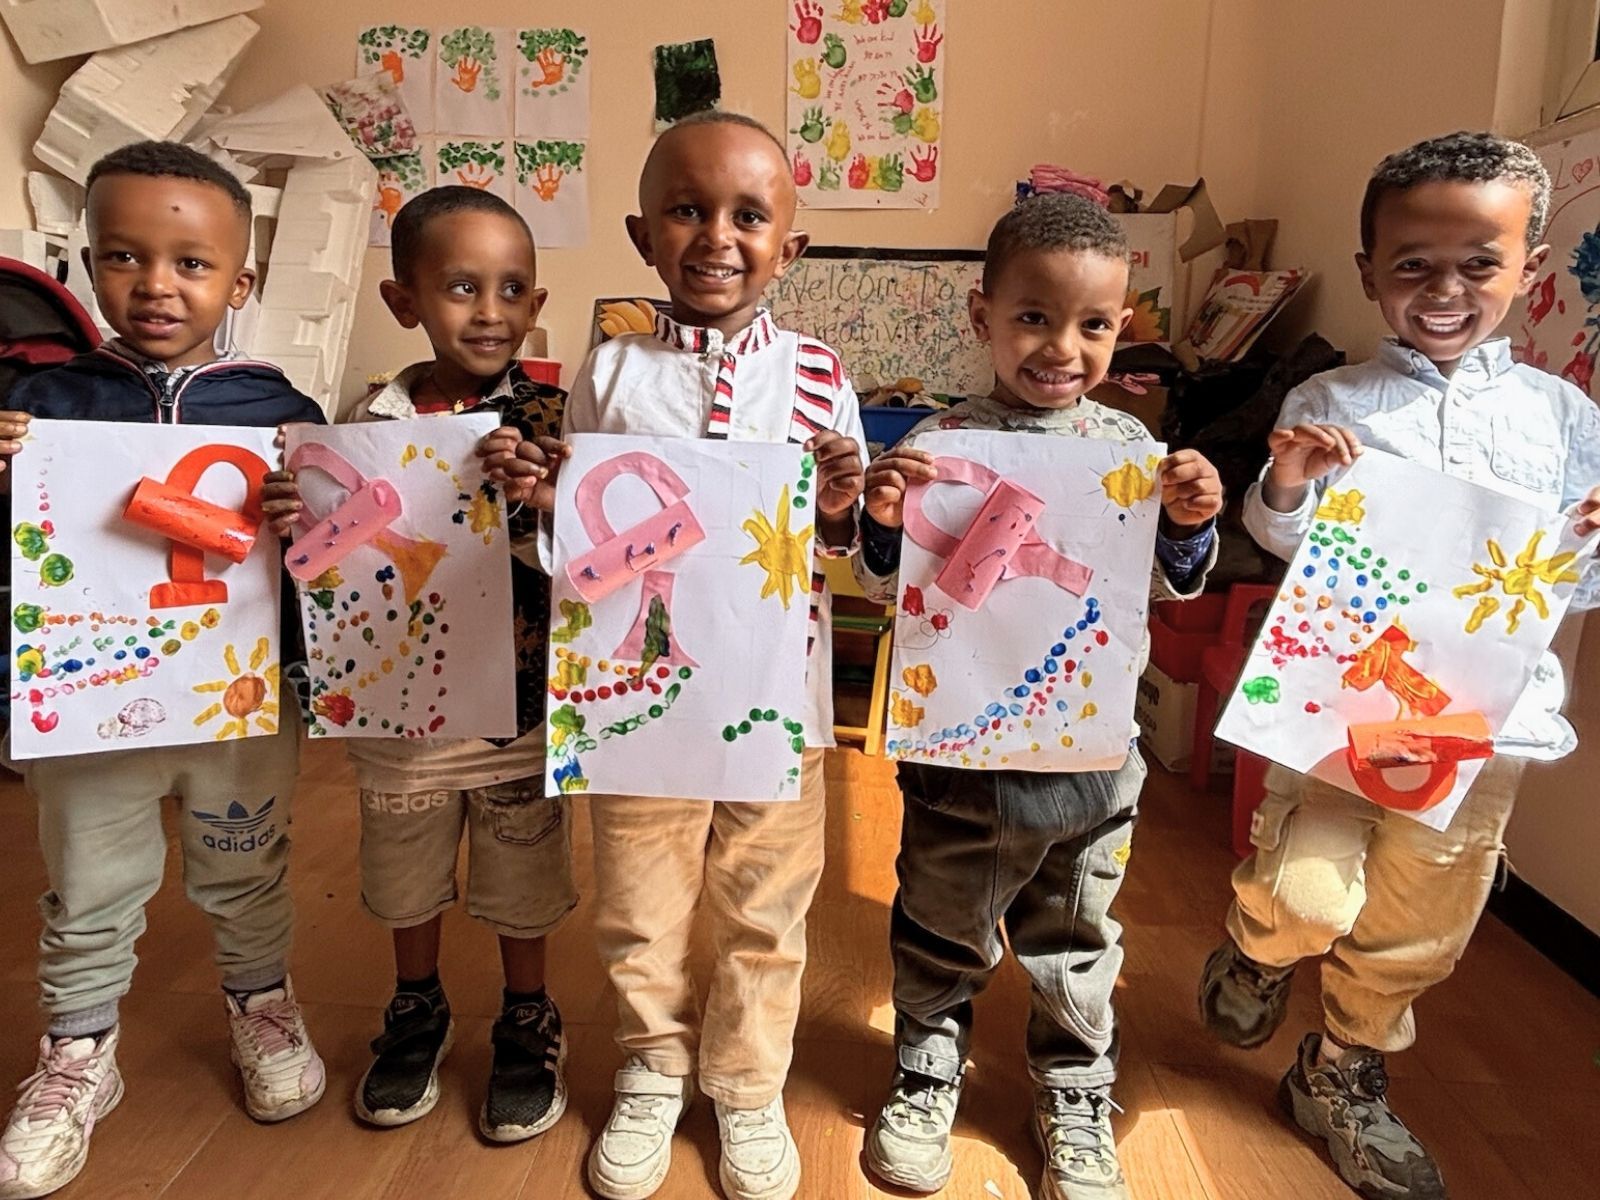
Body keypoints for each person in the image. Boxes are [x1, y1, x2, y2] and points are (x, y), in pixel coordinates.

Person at [1198, 131, 1600, 1200]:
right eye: (1413, 264)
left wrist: (1589, 540)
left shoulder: (1564, 420)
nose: (1445, 289)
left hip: (1482, 725)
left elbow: (1576, 588)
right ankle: (1257, 945)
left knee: (1420, 917)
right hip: (1343, 706)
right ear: (1370, 270)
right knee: (1304, 892)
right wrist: (1286, 482)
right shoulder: (1333, 400)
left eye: (1479, 262)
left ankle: (1341, 1069)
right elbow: (1285, 542)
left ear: (1529, 266)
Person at [497, 110, 865, 1200]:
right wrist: (542, 503)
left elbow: (843, 549)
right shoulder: (610, 373)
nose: (717, 236)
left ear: (789, 246)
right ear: (642, 234)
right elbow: (582, 543)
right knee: (639, 902)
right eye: (687, 210)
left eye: (749, 216)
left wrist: (838, 509)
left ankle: (747, 1084)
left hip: (779, 703)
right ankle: (654, 1063)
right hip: (635, 698)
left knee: (767, 902)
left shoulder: (816, 374)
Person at [853, 192, 1223, 1200]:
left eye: (1093, 325)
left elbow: (1168, 586)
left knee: (1077, 935)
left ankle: (1072, 1086)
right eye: (1032, 317)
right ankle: (928, 1065)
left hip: (1090, 763)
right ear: (982, 316)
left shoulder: (1129, 451)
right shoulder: (937, 442)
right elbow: (886, 584)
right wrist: (883, 520)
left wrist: (1188, 523)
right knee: (943, 920)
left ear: (1122, 328)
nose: (1062, 348)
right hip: (959, 757)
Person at [0, 141, 326, 1200]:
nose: (156, 284)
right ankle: (78, 1050)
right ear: (89, 262)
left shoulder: (282, 411)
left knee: (245, 861)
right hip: (91, 700)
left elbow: (332, 568)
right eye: (124, 256)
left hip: (240, 697)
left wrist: (309, 516)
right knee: (89, 879)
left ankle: (261, 1000)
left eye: (191, 264)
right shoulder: (43, 403)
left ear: (242, 282)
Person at [261, 186, 576, 1144]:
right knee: (403, 870)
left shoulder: (558, 423)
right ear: (405, 301)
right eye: (460, 287)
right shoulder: (364, 425)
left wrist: (538, 497)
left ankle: (528, 1015)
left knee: (522, 874)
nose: (490, 310)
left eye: (512, 288)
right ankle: (416, 1005)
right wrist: (294, 517)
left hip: (520, 707)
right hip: (400, 706)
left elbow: (584, 563)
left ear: (536, 302)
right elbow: (332, 560)